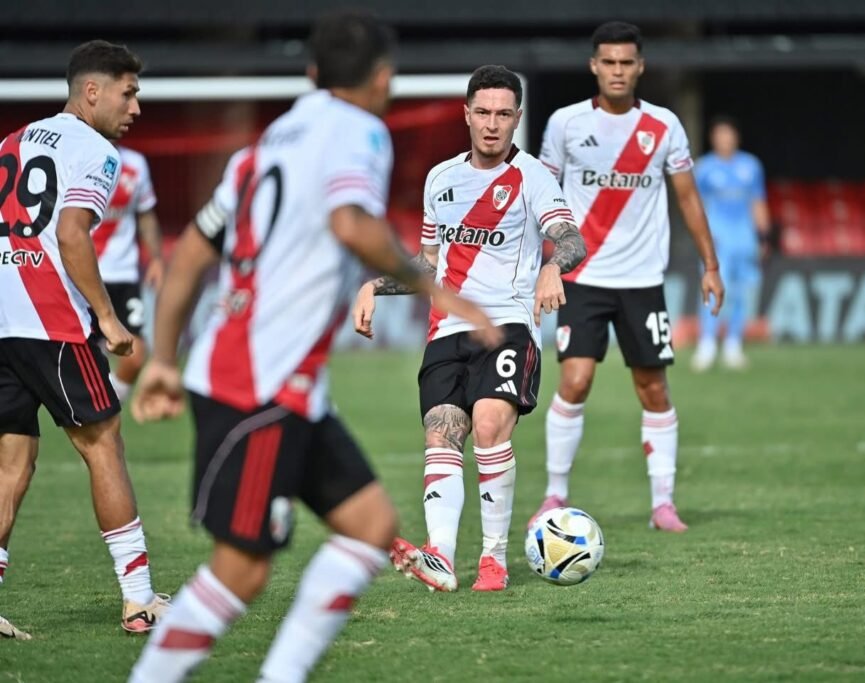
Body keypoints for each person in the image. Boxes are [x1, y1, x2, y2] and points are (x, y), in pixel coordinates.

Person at [128, 12, 499, 682]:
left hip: (282, 384)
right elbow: (350, 222)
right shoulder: (359, 131)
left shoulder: (265, 145)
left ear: (311, 73)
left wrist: (161, 357)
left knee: (371, 525)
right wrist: (438, 291)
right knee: (241, 571)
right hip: (260, 385)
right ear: (382, 78)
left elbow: (191, 255)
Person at [352, 65, 586, 592]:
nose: (492, 124)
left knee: (488, 425)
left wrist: (554, 265)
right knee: (442, 431)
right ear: (466, 114)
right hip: (446, 330)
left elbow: (570, 238)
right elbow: (428, 262)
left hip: (507, 325)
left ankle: (493, 559)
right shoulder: (441, 178)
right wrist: (375, 286)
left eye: (503, 114)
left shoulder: (533, 177)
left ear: (517, 118)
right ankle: (440, 555)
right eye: (483, 112)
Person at [0, 40, 168, 639]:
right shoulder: (95, 150)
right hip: (51, 321)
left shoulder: (13, 141)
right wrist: (107, 317)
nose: (136, 108)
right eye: (128, 93)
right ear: (91, 91)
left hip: (3, 318)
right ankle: (139, 600)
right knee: (104, 444)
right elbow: (72, 234)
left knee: (12, 461)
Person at [529, 21, 724, 533]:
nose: (617, 71)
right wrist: (537, 265)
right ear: (594, 65)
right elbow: (542, 195)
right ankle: (554, 494)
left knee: (653, 388)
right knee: (575, 380)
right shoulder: (566, 123)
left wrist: (710, 266)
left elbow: (688, 198)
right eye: (609, 62)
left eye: (626, 62)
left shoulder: (663, 125)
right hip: (582, 276)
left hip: (641, 281)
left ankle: (663, 504)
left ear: (640, 67)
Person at [691, 115, 769, 371]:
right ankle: (707, 344)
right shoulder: (704, 168)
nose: (725, 139)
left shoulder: (751, 166)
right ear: (713, 139)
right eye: (720, 135)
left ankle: (733, 344)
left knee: (741, 293)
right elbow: (695, 205)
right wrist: (703, 235)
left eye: (729, 134)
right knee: (712, 289)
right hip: (718, 239)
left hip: (744, 238)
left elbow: (758, 201)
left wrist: (763, 236)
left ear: (736, 137)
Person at [95, 146, 164, 401]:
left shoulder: (136, 163)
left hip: (124, 275)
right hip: (84, 277)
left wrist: (156, 259)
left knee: (136, 356)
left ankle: (110, 402)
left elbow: (146, 215)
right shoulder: (73, 157)